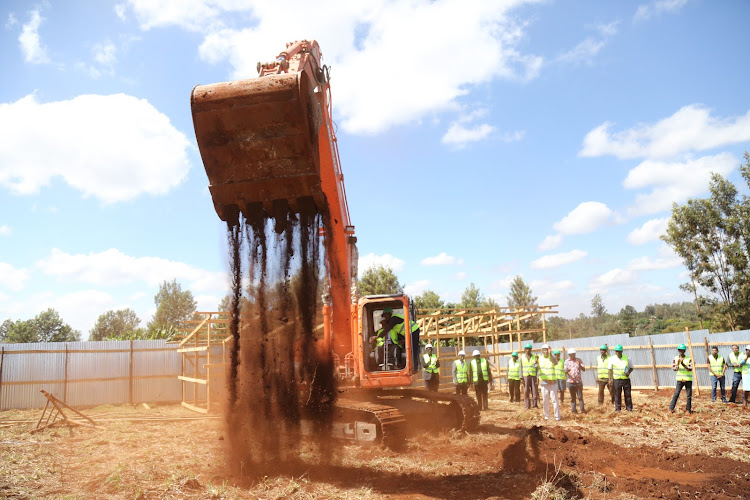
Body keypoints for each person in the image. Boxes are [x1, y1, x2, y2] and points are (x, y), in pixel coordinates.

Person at [538, 344, 561, 421]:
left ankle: (557, 416)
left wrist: (551, 354)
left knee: (555, 400)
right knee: (545, 400)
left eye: (546, 349)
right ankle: (547, 415)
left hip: (552, 383)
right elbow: (535, 366)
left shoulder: (552, 358)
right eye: (544, 349)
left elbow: (555, 363)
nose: (545, 351)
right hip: (543, 382)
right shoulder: (539, 358)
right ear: (542, 350)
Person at [608, 344, 633, 412]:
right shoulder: (612, 359)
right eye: (616, 351)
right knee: (617, 395)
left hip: (626, 379)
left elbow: (631, 367)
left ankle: (629, 408)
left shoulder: (627, 358)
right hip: (617, 379)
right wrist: (610, 379)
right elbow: (610, 369)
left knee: (627, 394)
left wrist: (628, 373)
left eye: (619, 351)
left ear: (622, 351)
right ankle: (618, 409)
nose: (618, 353)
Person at [669, 343, 693, 414]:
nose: (680, 351)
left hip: (688, 379)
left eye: (682, 350)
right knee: (676, 394)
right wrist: (677, 366)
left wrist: (683, 365)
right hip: (680, 379)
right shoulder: (676, 358)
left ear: (684, 351)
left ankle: (688, 410)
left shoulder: (689, 359)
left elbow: (690, 368)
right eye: (679, 350)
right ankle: (671, 408)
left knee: (689, 395)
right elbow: (674, 368)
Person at [564, 348, 585, 414]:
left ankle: (582, 410)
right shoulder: (567, 361)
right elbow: (565, 371)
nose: (573, 355)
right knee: (573, 398)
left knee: (580, 397)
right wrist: (567, 370)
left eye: (573, 354)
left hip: (578, 382)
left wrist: (579, 365)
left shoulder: (579, 360)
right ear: (569, 355)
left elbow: (583, 369)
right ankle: (574, 410)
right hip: (570, 382)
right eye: (571, 354)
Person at [520, 343, 539, 409]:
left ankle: (535, 405)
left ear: (531, 349)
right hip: (525, 376)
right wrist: (521, 378)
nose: (528, 350)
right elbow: (520, 368)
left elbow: (536, 367)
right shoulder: (522, 357)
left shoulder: (535, 357)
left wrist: (537, 377)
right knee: (526, 391)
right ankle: (527, 405)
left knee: (534, 391)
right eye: (526, 349)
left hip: (533, 376)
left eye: (529, 349)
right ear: (525, 350)